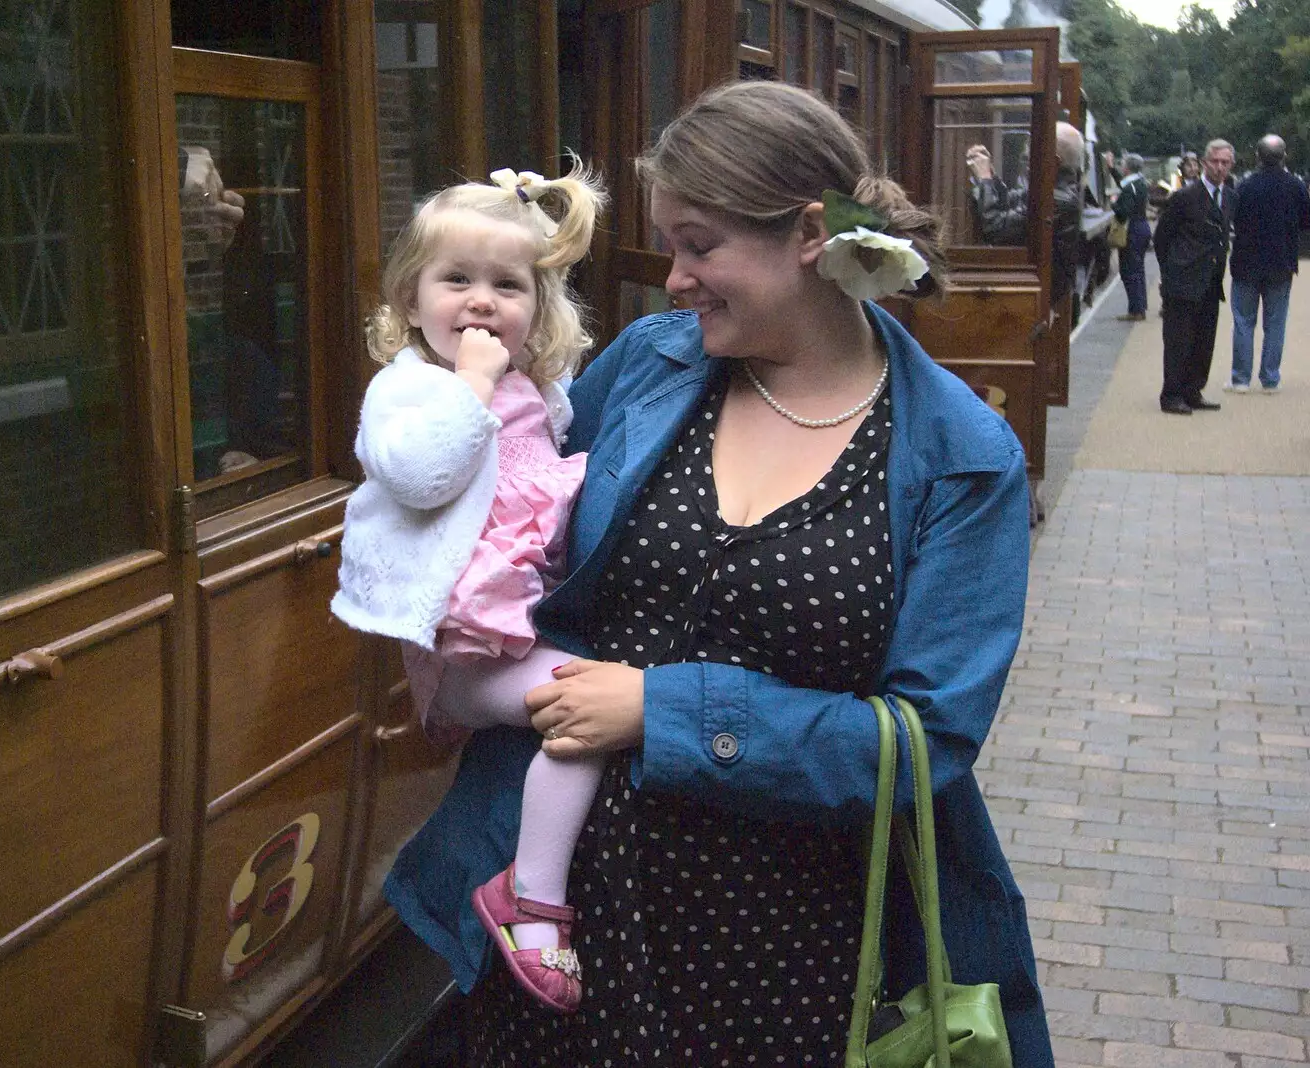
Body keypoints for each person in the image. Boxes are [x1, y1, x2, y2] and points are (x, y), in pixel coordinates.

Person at [384, 80, 1052, 1066]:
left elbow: (926, 738)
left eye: (699, 245)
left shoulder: (959, 453)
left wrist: (664, 710)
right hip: (566, 927)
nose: (675, 279)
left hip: (787, 961)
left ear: (812, 234)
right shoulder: (652, 364)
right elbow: (510, 496)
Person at [330, 162, 608, 1013]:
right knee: (584, 714)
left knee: (588, 701)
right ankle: (531, 899)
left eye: (508, 285)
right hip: (461, 643)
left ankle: (528, 885)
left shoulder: (542, 391)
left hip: (512, 623)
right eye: (458, 280)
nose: (482, 302)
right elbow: (418, 474)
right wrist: (473, 387)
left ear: (540, 309)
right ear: (411, 302)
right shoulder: (407, 389)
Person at [1154, 138, 1236, 413]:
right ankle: (1172, 394)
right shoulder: (1185, 197)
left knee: (1204, 340)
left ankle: (1193, 390)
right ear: (1204, 163)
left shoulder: (1229, 195)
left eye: (1225, 163)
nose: (1220, 168)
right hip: (1183, 279)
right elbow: (1162, 237)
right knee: (1179, 340)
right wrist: (1171, 270)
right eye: (1215, 162)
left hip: (1211, 281)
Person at [966, 123, 1085, 312]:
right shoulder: (1052, 189)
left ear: (1053, 162)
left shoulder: (1055, 199)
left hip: (1037, 302)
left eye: (1030, 159)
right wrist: (991, 176)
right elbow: (1010, 202)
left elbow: (995, 227)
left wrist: (984, 180)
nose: (1027, 166)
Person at [1225, 134, 1310, 394]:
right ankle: (1270, 378)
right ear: (1284, 156)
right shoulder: (1295, 187)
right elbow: (1306, 222)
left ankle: (1241, 379)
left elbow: (1231, 219)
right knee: (1275, 323)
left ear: (1257, 157)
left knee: (1243, 321)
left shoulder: (1244, 186)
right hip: (1281, 262)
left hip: (1246, 261)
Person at [1112, 152, 1153, 321]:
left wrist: (1114, 203)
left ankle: (1136, 310)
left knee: (1129, 270)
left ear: (1127, 168)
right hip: (1142, 227)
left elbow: (1123, 213)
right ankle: (1139, 306)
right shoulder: (1140, 183)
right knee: (1138, 269)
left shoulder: (1130, 188)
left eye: (1122, 165)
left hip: (1132, 230)